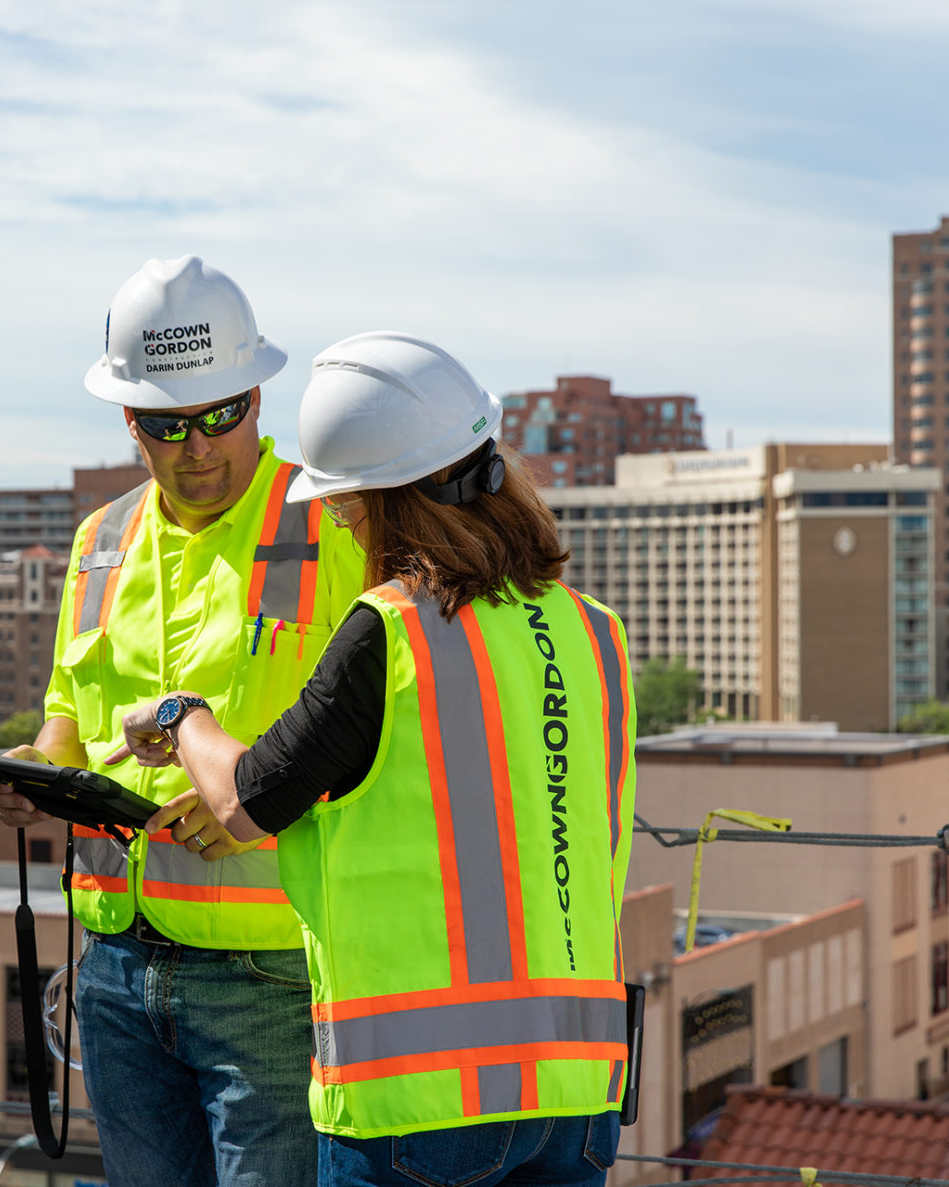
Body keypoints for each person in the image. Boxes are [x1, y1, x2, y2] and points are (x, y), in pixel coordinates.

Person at [110, 331, 637, 1187]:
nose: (349, 529)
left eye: (349, 510)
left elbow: (248, 799)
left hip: (420, 1104)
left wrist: (182, 714)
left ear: (388, 504)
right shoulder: (594, 633)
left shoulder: (390, 630)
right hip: (576, 1089)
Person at [0, 256, 365, 1187]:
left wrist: (264, 802)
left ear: (258, 397)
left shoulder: (335, 525)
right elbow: (68, 724)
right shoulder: (99, 543)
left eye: (219, 414)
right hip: (115, 969)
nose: (197, 446)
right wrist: (30, 775)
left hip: (269, 973)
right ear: (128, 421)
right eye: (166, 423)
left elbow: (390, 741)